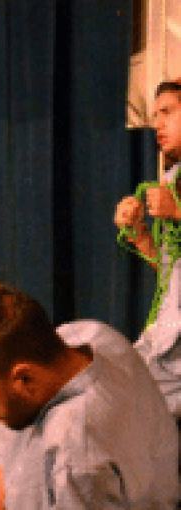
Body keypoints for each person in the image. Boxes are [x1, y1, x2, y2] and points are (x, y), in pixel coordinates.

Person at [0, 281, 178, 509]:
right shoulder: (92, 336)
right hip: (23, 460)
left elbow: (74, 461)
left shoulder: (75, 462)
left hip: (52, 484)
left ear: (24, 378)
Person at [114, 78, 181, 417]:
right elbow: (172, 271)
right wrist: (139, 234)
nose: (158, 124)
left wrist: (178, 212)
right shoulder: (171, 179)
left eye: (168, 112)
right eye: (155, 115)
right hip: (166, 337)